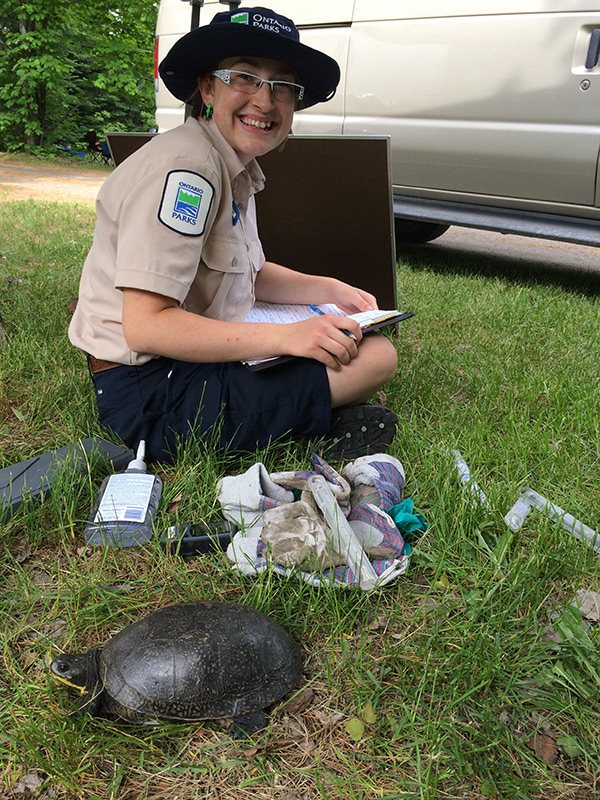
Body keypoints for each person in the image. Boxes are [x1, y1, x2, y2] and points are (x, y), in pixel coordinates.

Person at [68, 6, 399, 464]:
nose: (264, 101)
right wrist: (286, 338)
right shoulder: (188, 172)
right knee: (377, 358)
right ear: (207, 87)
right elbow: (145, 325)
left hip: (176, 364)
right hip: (149, 396)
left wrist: (329, 289)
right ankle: (311, 422)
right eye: (244, 76)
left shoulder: (227, 164)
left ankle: (302, 409)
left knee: (346, 338)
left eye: (283, 85)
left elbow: (249, 272)